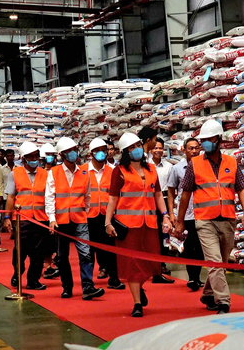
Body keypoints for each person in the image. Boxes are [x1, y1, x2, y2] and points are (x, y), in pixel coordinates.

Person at [174, 120, 244, 315]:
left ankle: (208, 293)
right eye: (203, 140)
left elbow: (241, 188)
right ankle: (223, 301)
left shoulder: (231, 162)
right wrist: (180, 221)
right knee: (215, 262)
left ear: (219, 140)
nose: (206, 143)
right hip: (204, 220)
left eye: (209, 139)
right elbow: (185, 194)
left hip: (228, 219)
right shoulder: (195, 164)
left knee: (221, 263)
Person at [105, 132, 172, 318]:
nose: (136, 150)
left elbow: (158, 194)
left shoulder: (151, 169)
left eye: (138, 146)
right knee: (133, 265)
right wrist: (108, 222)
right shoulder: (119, 171)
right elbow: (113, 198)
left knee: (151, 264)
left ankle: (139, 288)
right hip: (128, 226)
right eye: (132, 148)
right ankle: (136, 303)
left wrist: (165, 216)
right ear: (125, 152)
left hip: (150, 224)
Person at [46, 137, 105, 300]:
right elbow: (50, 197)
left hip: (80, 219)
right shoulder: (54, 173)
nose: (73, 153)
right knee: (61, 257)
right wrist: (51, 218)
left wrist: (84, 212)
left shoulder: (84, 173)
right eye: (68, 151)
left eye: (74, 150)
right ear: (62, 155)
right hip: (60, 220)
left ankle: (88, 287)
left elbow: (87, 196)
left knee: (85, 253)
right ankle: (67, 287)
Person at [3, 142, 50, 291]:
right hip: (21, 219)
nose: (34, 159)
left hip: (41, 218)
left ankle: (33, 280)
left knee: (39, 252)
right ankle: (17, 273)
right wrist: (6, 218)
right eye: (31, 157)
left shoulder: (45, 174)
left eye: (36, 156)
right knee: (20, 250)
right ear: (23, 159)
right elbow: (10, 197)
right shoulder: (15, 174)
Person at [87, 138, 125, 290]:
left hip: (107, 216)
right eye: (98, 150)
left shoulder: (113, 171)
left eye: (104, 150)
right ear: (91, 153)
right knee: (88, 251)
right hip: (89, 217)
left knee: (111, 248)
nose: (102, 153)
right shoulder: (83, 171)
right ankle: (88, 282)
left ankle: (114, 278)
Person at [167, 137, 205, 291]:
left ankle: (197, 276)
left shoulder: (204, 166)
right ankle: (192, 278)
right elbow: (171, 191)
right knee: (190, 246)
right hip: (186, 215)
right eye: (191, 148)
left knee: (202, 247)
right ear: (184, 150)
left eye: (196, 148)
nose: (194, 151)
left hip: (203, 212)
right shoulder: (177, 169)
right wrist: (172, 213)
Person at [138, 127, 174, 283]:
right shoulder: (141, 159)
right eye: (154, 141)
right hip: (143, 202)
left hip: (156, 199)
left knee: (158, 236)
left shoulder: (160, 164)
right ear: (148, 141)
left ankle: (157, 269)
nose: (156, 145)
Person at [39, 143, 60, 279]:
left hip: (55, 210)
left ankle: (52, 265)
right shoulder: (40, 172)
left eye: (52, 155)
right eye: (48, 155)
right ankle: (45, 266)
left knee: (53, 241)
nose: (50, 158)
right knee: (43, 241)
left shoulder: (58, 171)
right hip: (41, 211)